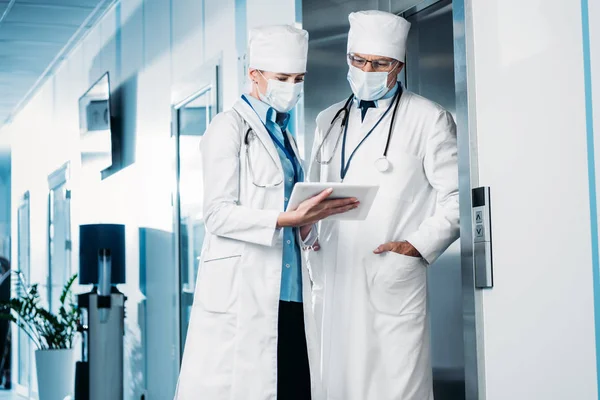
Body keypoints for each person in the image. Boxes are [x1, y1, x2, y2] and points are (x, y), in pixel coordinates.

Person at [174, 25, 357, 400]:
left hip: (289, 292)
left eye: (298, 78)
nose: (292, 86)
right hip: (246, 291)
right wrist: (286, 220)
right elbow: (217, 214)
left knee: (293, 388)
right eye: (282, 78)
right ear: (254, 75)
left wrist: (309, 225)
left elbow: (289, 210)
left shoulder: (285, 136)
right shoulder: (228, 127)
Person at [306, 10, 460, 400]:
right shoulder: (328, 120)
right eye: (358, 60)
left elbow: (457, 199)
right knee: (332, 381)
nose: (367, 70)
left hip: (388, 272)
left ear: (400, 65)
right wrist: (308, 235)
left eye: (380, 63)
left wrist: (414, 249)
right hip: (332, 270)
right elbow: (311, 190)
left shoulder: (429, 118)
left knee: (394, 383)